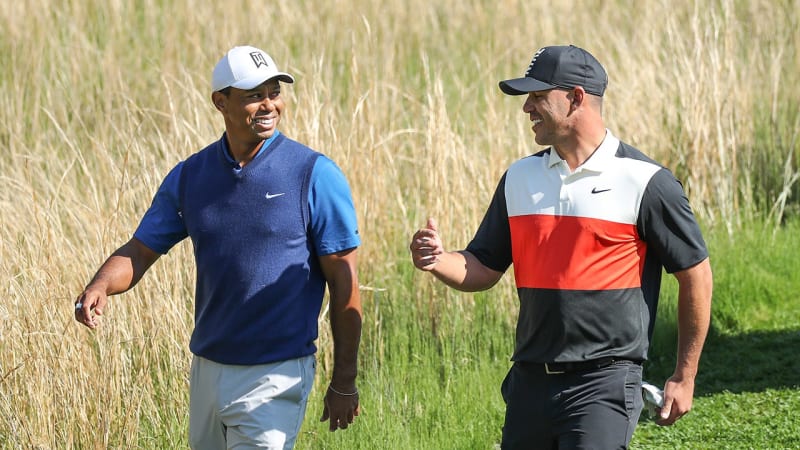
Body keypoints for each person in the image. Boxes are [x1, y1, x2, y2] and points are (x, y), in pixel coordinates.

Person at [409, 45, 713, 449]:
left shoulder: (645, 182)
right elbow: (483, 265)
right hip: (529, 382)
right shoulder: (518, 178)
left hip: (604, 382)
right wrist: (438, 260)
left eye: (537, 96)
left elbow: (696, 275)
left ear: (576, 97)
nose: (527, 109)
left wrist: (684, 376)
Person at [75, 45, 363, 449]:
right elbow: (140, 251)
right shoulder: (191, 176)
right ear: (220, 102)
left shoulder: (314, 175)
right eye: (254, 95)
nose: (269, 105)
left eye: (274, 92)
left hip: (276, 374)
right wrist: (101, 284)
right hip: (207, 371)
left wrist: (344, 380)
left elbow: (344, 281)